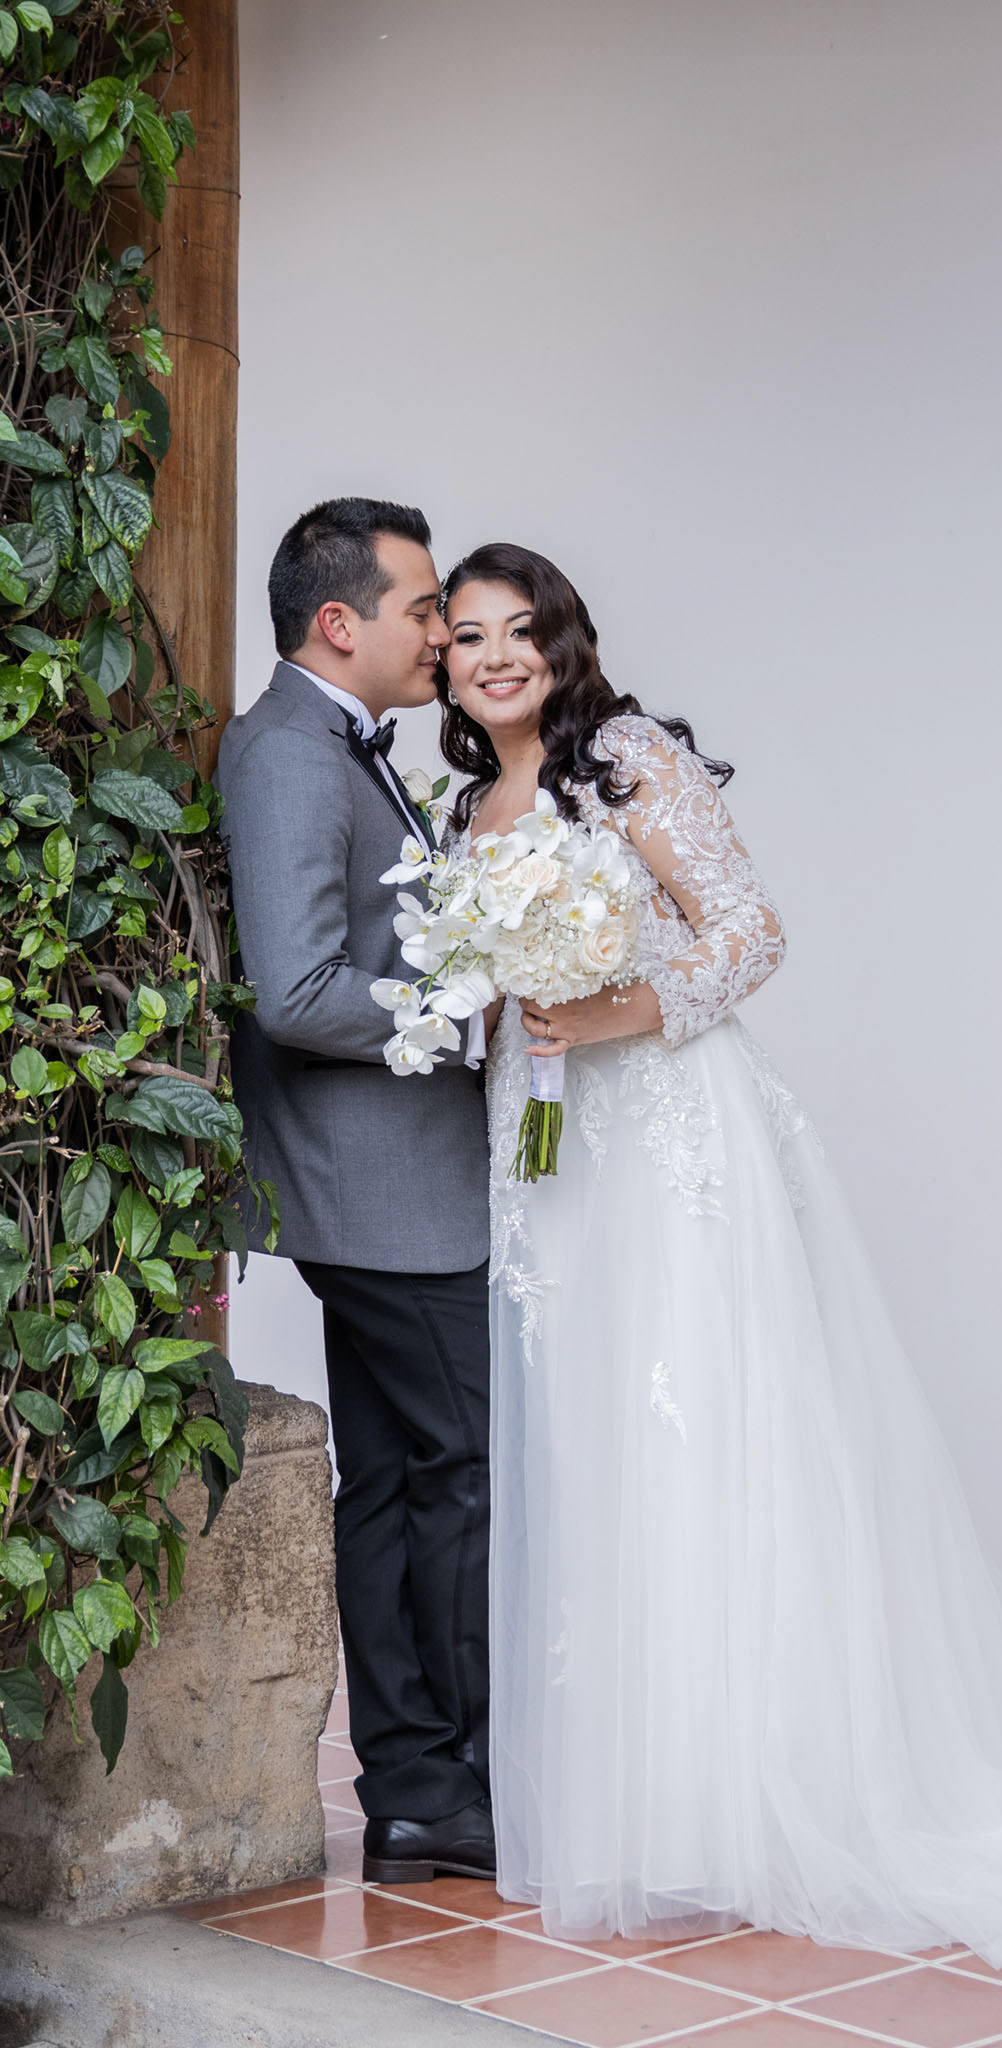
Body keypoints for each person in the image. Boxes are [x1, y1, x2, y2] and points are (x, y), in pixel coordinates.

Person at [436, 540, 1002, 1967]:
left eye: (520, 629)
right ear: (443, 661)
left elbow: (750, 935)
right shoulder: (465, 807)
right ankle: (645, 1797)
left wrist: (609, 1010)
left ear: (565, 643)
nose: (495, 655)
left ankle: (760, 1793)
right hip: (551, 1156)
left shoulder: (625, 762)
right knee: (592, 1446)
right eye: (468, 634)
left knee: (704, 1439)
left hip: (672, 1139)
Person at [216, 499, 497, 1885]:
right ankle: (455, 1779)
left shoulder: (339, 745)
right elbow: (299, 991)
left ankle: (419, 1796)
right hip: (381, 1194)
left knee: (394, 1482)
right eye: (424, 607)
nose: (441, 631)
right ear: (340, 622)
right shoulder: (287, 752)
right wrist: (473, 1012)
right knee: (464, 1477)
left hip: (391, 1187)